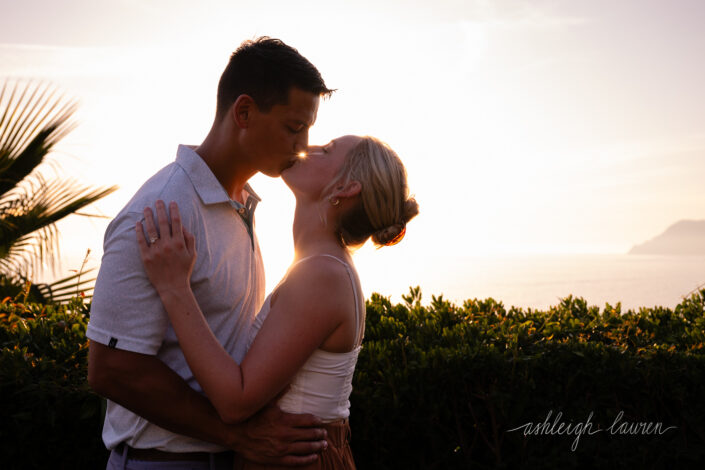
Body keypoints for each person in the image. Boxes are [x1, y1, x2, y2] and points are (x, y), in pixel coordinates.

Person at [86, 37, 334, 469]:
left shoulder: (243, 203)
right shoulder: (160, 211)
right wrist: (236, 434)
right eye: (294, 128)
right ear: (243, 113)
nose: (303, 145)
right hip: (161, 462)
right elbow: (110, 369)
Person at [135, 135, 419, 469]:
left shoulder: (321, 275)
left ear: (346, 188)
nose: (308, 146)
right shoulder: (323, 267)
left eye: (326, 150)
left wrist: (174, 287)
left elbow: (236, 402)